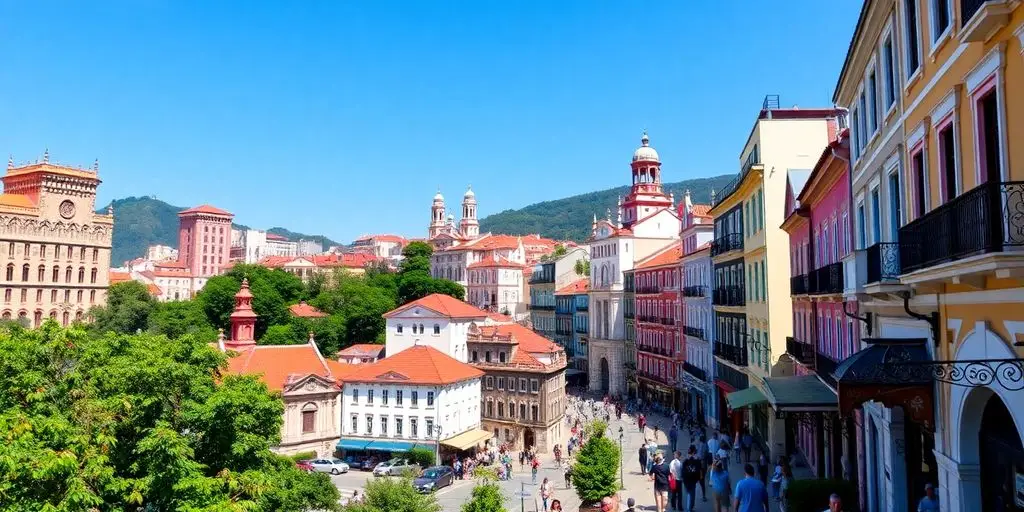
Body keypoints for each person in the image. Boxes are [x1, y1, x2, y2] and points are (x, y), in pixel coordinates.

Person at [681, 445, 704, 512]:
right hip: (693, 479)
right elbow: (700, 469)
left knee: (689, 493)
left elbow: (682, 468)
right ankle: (689, 508)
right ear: (694, 451)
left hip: (686, 479)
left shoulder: (685, 459)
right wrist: (699, 478)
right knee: (691, 494)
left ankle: (690, 508)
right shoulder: (697, 460)